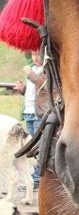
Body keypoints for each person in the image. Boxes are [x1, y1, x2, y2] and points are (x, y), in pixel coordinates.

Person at [14, 49, 44, 188]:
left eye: (38, 54)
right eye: (33, 55)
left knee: (39, 145)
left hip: (40, 112)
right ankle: (36, 174)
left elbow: (42, 84)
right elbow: (33, 91)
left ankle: (38, 177)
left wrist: (30, 74)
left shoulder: (45, 69)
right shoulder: (32, 69)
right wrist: (23, 89)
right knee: (32, 145)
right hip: (28, 112)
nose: (35, 57)